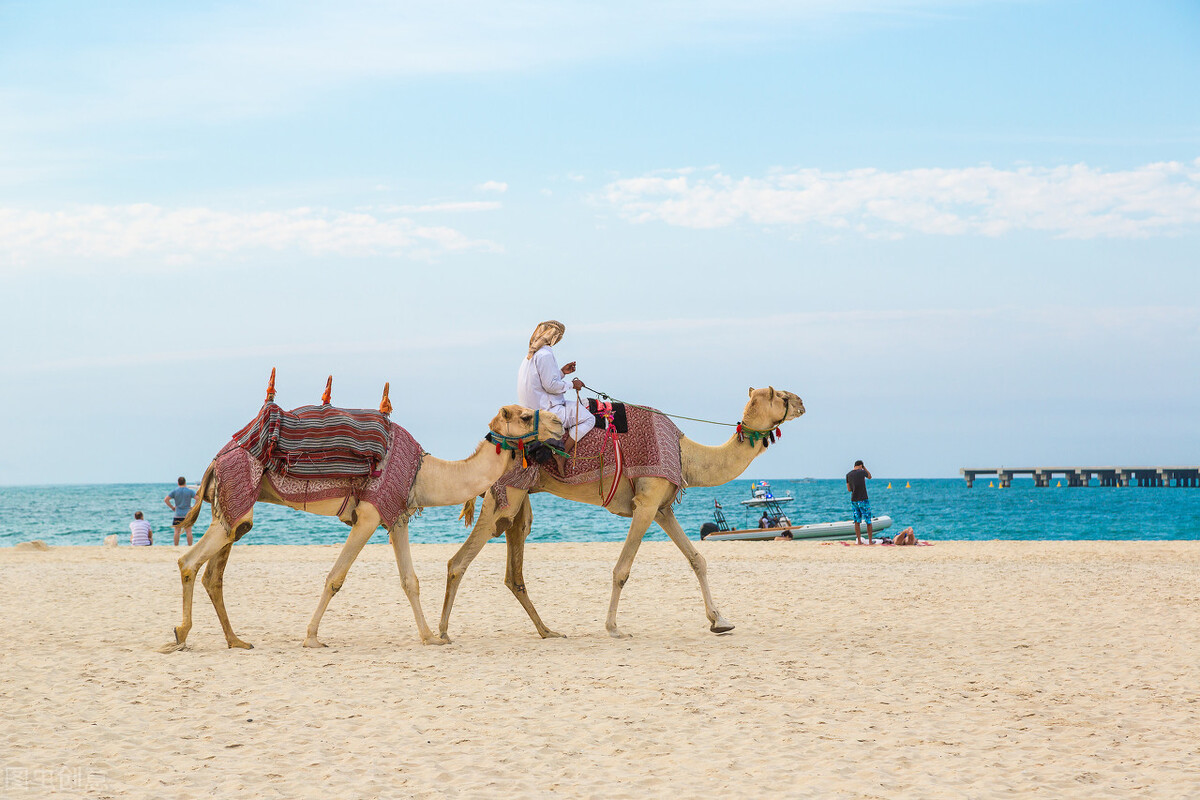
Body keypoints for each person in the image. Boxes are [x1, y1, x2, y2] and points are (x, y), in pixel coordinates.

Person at [517, 320, 597, 443]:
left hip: (531, 410)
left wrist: (562, 372)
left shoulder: (530, 356)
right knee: (589, 418)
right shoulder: (545, 355)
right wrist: (573, 385)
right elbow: (550, 386)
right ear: (553, 336)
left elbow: (542, 382)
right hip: (546, 413)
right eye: (558, 336)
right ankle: (563, 454)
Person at [846, 459, 874, 544]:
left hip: (854, 500)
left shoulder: (848, 475)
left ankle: (859, 541)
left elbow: (849, 489)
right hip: (863, 499)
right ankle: (870, 541)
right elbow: (869, 476)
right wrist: (864, 468)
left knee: (857, 521)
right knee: (868, 521)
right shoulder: (862, 472)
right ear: (861, 466)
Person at [164, 477, 197, 546]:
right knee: (188, 531)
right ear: (185, 482)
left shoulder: (175, 491)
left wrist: (172, 507)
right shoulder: (189, 491)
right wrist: (193, 508)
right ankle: (190, 546)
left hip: (178, 514)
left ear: (178, 483)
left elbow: (166, 500)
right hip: (187, 514)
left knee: (176, 531)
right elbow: (198, 499)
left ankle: (176, 546)